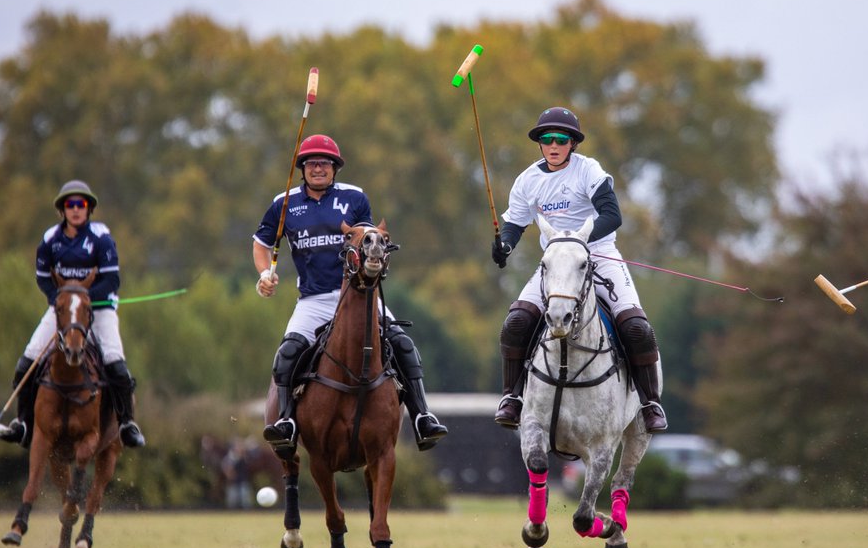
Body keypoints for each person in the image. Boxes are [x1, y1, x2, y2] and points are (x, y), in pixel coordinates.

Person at [253, 134, 447, 457]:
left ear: (335, 168)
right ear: (302, 168)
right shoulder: (284, 203)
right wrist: (264, 274)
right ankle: (286, 423)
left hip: (358, 295)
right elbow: (262, 243)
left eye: (325, 163)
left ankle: (422, 416)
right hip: (313, 300)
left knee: (402, 343)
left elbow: (369, 241)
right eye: (312, 163)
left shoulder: (354, 198)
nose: (318, 168)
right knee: (287, 354)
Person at [490, 106, 668, 433]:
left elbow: (612, 215)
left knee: (636, 326)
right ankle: (512, 397)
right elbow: (514, 224)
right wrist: (506, 245)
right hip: (556, 261)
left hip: (598, 252)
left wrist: (580, 241)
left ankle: (649, 402)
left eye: (561, 139)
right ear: (540, 144)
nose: (554, 145)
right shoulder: (527, 180)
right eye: (547, 139)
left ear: (573, 143)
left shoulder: (588, 170)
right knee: (516, 321)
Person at [0, 180, 146, 449]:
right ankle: (23, 423)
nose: (76, 209)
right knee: (27, 361)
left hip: (99, 310)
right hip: (63, 311)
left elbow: (112, 281)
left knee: (115, 363)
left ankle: (126, 424)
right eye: (70, 205)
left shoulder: (101, 238)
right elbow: (43, 279)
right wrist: (61, 300)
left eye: (82, 204)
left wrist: (83, 298)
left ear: (88, 209)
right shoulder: (50, 240)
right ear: (62, 210)